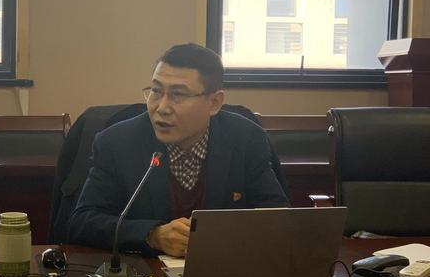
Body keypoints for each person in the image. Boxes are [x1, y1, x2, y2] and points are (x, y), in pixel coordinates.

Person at [68, 43, 290, 257]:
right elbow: (82, 223)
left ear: (214, 103)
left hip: (223, 268)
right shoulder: (117, 142)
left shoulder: (246, 139)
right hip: (147, 273)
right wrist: (152, 235)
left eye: (178, 95)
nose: (162, 107)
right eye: (156, 91)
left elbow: (278, 220)